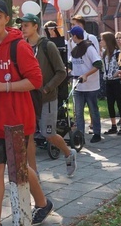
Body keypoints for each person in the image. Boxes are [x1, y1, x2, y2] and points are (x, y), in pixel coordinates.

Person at [0, 0, 53, 226]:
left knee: (17, 167)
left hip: (17, 120)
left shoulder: (19, 46)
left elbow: (35, 80)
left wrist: (3, 86)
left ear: (7, 19)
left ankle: (42, 203)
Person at [17, 13, 77, 177]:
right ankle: (34, 173)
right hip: (29, 97)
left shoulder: (47, 46)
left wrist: (47, 88)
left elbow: (61, 72)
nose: (23, 28)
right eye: (21, 26)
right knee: (28, 136)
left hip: (47, 97)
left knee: (48, 133)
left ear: (36, 26)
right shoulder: (22, 46)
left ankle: (68, 152)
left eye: (26, 25)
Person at [69, 26, 103, 143]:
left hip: (91, 86)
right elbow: (70, 64)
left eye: (71, 35)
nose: (70, 38)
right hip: (78, 86)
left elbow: (98, 64)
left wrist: (86, 75)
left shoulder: (89, 48)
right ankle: (80, 136)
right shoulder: (74, 49)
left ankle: (97, 133)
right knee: (78, 113)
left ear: (74, 36)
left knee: (93, 110)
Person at [100, 31, 121, 135]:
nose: (100, 41)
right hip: (108, 81)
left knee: (120, 102)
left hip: (117, 81)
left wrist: (117, 74)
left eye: (102, 39)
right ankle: (113, 125)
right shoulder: (104, 53)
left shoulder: (117, 53)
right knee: (110, 103)